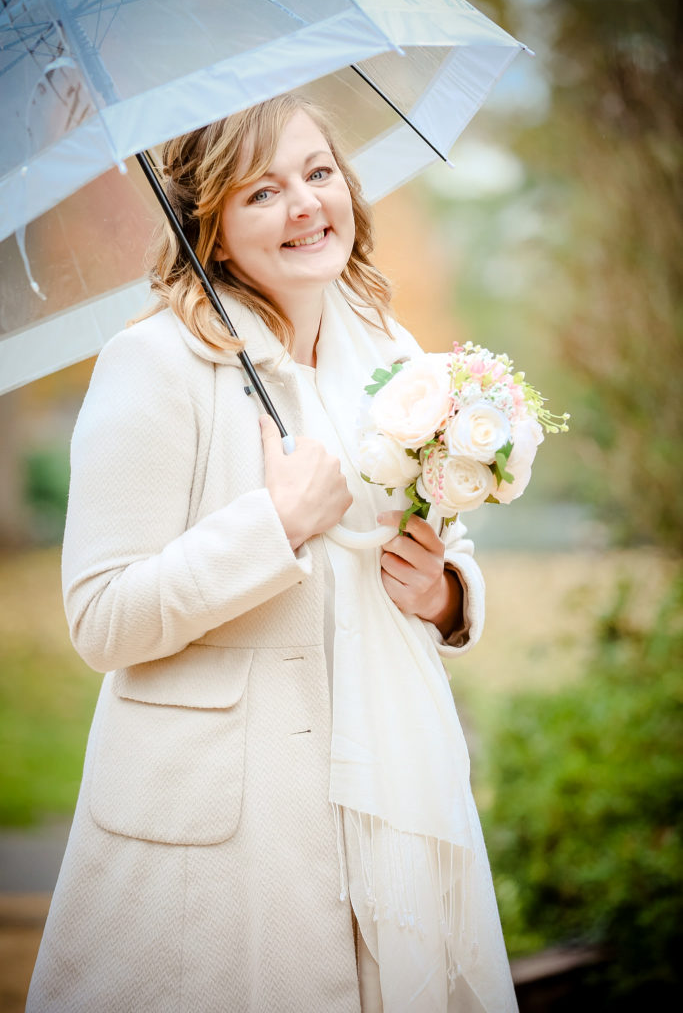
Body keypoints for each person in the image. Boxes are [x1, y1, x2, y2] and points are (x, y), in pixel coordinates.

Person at [27, 94, 518, 1013]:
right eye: (262, 191)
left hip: (388, 792)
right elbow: (99, 618)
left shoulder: (391, 351)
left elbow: (434, 550)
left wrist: (445, 594)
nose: (304, 205)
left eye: (317, 173)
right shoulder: (154, 364)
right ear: (208, 226)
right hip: (227, 835)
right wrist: (271, 529)